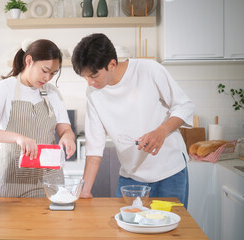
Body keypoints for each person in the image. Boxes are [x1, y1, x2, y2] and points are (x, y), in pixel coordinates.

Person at [71, 33, 194, 207]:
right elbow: (94, 147)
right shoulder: (94, 93)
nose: (90, 82)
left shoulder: (148, 70)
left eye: (93, 76)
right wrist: (85, 191)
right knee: (124, 232)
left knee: (172, 231)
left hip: (169, 172)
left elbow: (185, 105)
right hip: (131, 177)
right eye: (85, 77)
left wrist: (161, 131)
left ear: (112, 64)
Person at [0, 39, 76, 197]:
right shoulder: (3, 89)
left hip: (48, 180)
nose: (48, 78)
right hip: (11, 180)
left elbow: (65, 130)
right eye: (45, 70)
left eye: (53, 73)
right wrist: (18, 138)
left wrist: (68, 137)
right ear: (29, 61)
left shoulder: (53, 93)